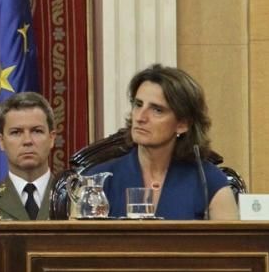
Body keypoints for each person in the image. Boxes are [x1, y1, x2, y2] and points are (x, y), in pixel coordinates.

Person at [86, 64, 238, 220]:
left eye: (157, 110)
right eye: (138, 105)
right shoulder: (98, 180)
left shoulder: (208, 181)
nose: (140, 117)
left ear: (182, 124)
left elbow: (230, 243)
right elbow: (77, 243)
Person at [0, 92, 55, 221]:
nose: (27, 140)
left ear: (51, 138)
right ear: (1, 141)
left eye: (37, 131)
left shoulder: (76, 198)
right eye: (16, 132)